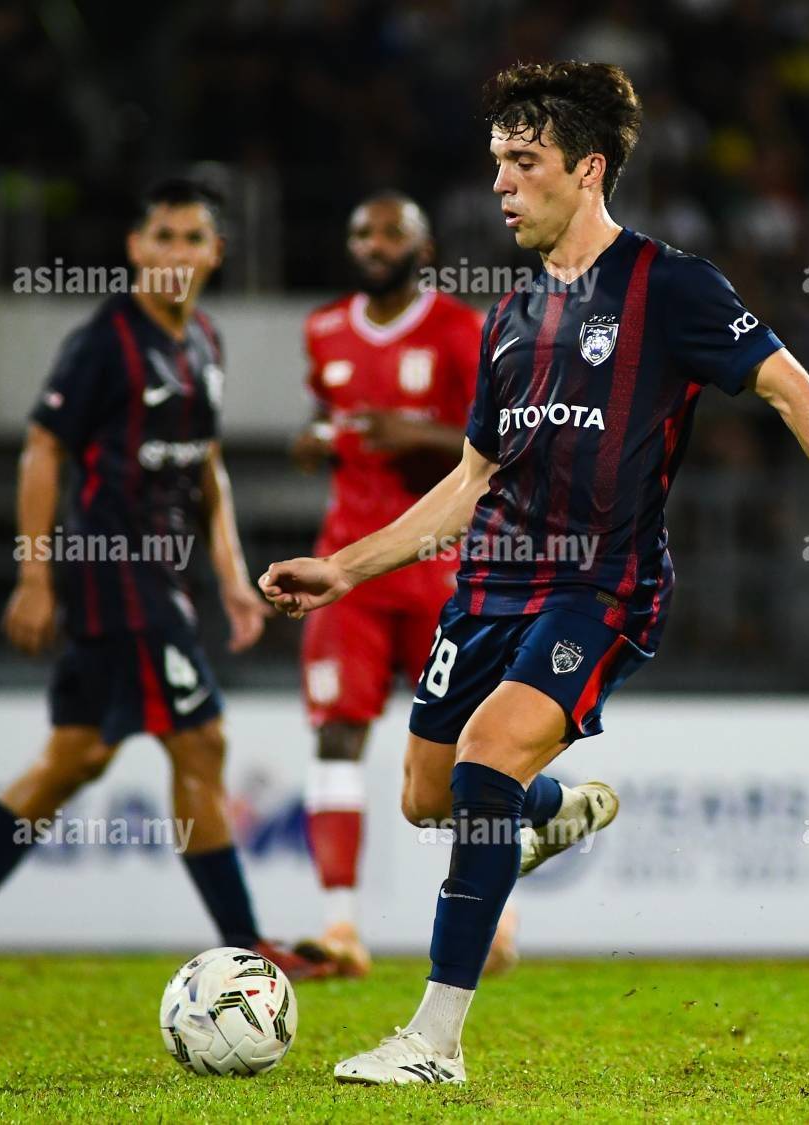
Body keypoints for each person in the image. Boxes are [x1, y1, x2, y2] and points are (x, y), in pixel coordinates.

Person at [259, 62, 809, 1085]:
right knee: (428, 798)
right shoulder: (510, 316)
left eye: (524, 162)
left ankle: (433, 1041)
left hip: (600, 589)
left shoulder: (671, 287)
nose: (501, 184)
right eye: (497, 164)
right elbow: (470, 482)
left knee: (484, 767)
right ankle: (552, 811)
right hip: (487, 589)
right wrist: (343, 569)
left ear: (589, 168)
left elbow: (796, 391)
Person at [0, 178, 332, 982]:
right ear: (135, 248)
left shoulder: (204, 339)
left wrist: (233, 578)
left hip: (165, 574)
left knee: (78, 753)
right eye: (161, 236)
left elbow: (206, 466)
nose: (175, 252)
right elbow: (43, 447)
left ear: (216, 253)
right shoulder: (105, 340)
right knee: (200, 738)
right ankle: (247, 946)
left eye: (192, 238)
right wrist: (33, 574)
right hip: (115, 572)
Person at [290, 192, 520, 977]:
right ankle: (339, 928)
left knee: (471, 745)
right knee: (335, 734)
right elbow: (327, 414)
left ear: (424, 250)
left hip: (439, 568)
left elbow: (501, 444)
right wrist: (314, 440)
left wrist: (414, 433)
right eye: (363, 231)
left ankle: (498, 915)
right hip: (346, 568)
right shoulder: (324, 328)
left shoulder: (462, 329)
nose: (375, 243)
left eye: (393, 232)